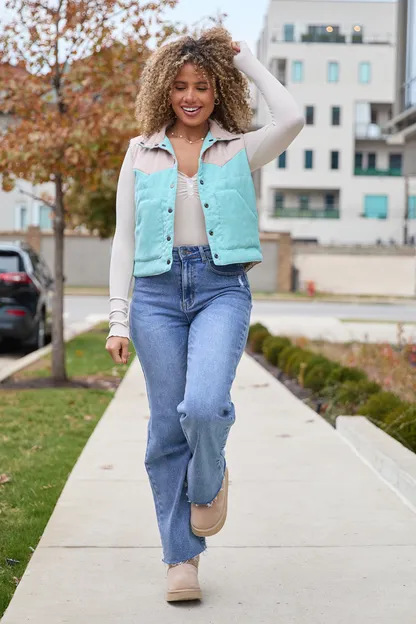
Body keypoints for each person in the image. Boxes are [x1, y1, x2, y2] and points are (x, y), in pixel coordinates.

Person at [105, 26, 304, 603]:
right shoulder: (140, 151)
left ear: (219, 91)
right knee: (167, 431)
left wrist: (248, 63)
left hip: (221, 290)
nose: (190, 97)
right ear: (164, 90)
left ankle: (209, 479)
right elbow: (124, 239)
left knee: (204, 407)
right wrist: (119, 317)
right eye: (180, 86)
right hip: (156, 297)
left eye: (202, 86)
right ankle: (181, 559)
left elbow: (292, 118)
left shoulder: (239, 148)